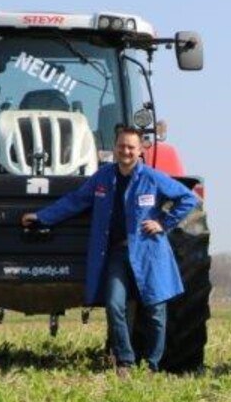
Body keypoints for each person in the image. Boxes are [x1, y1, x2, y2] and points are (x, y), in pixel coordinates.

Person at [21, 126, 198, 376]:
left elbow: (188, 198)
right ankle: (125, 361)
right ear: (115, 148)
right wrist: (42, 217)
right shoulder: (103, 178)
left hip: (148, 254)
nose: (125, 151)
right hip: (116, 254)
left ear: (140, 150)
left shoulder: (152, 178)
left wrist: (163, 222)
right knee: (115, 304)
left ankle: (151, 365)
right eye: (121, 146)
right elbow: (75, 201)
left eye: (131, 147)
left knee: (156, 311)